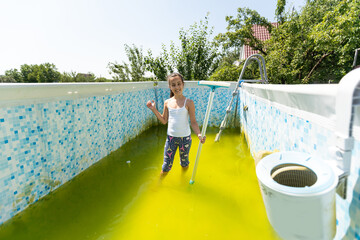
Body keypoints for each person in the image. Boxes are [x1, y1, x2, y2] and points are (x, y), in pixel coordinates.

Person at [146, 73, 206, 177]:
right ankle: (159, 185)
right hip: (171, 139)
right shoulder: (167, 102)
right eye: (173, 85)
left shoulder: (189, 102)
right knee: (166, 166)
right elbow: (164, 121)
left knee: (184, 163)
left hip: (185, 139)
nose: (177, 87)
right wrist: (153, 109)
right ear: (170, 87)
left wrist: (199, 134)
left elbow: (193, 122)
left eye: (179, 84)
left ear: (183, 84)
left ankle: (183, 179)